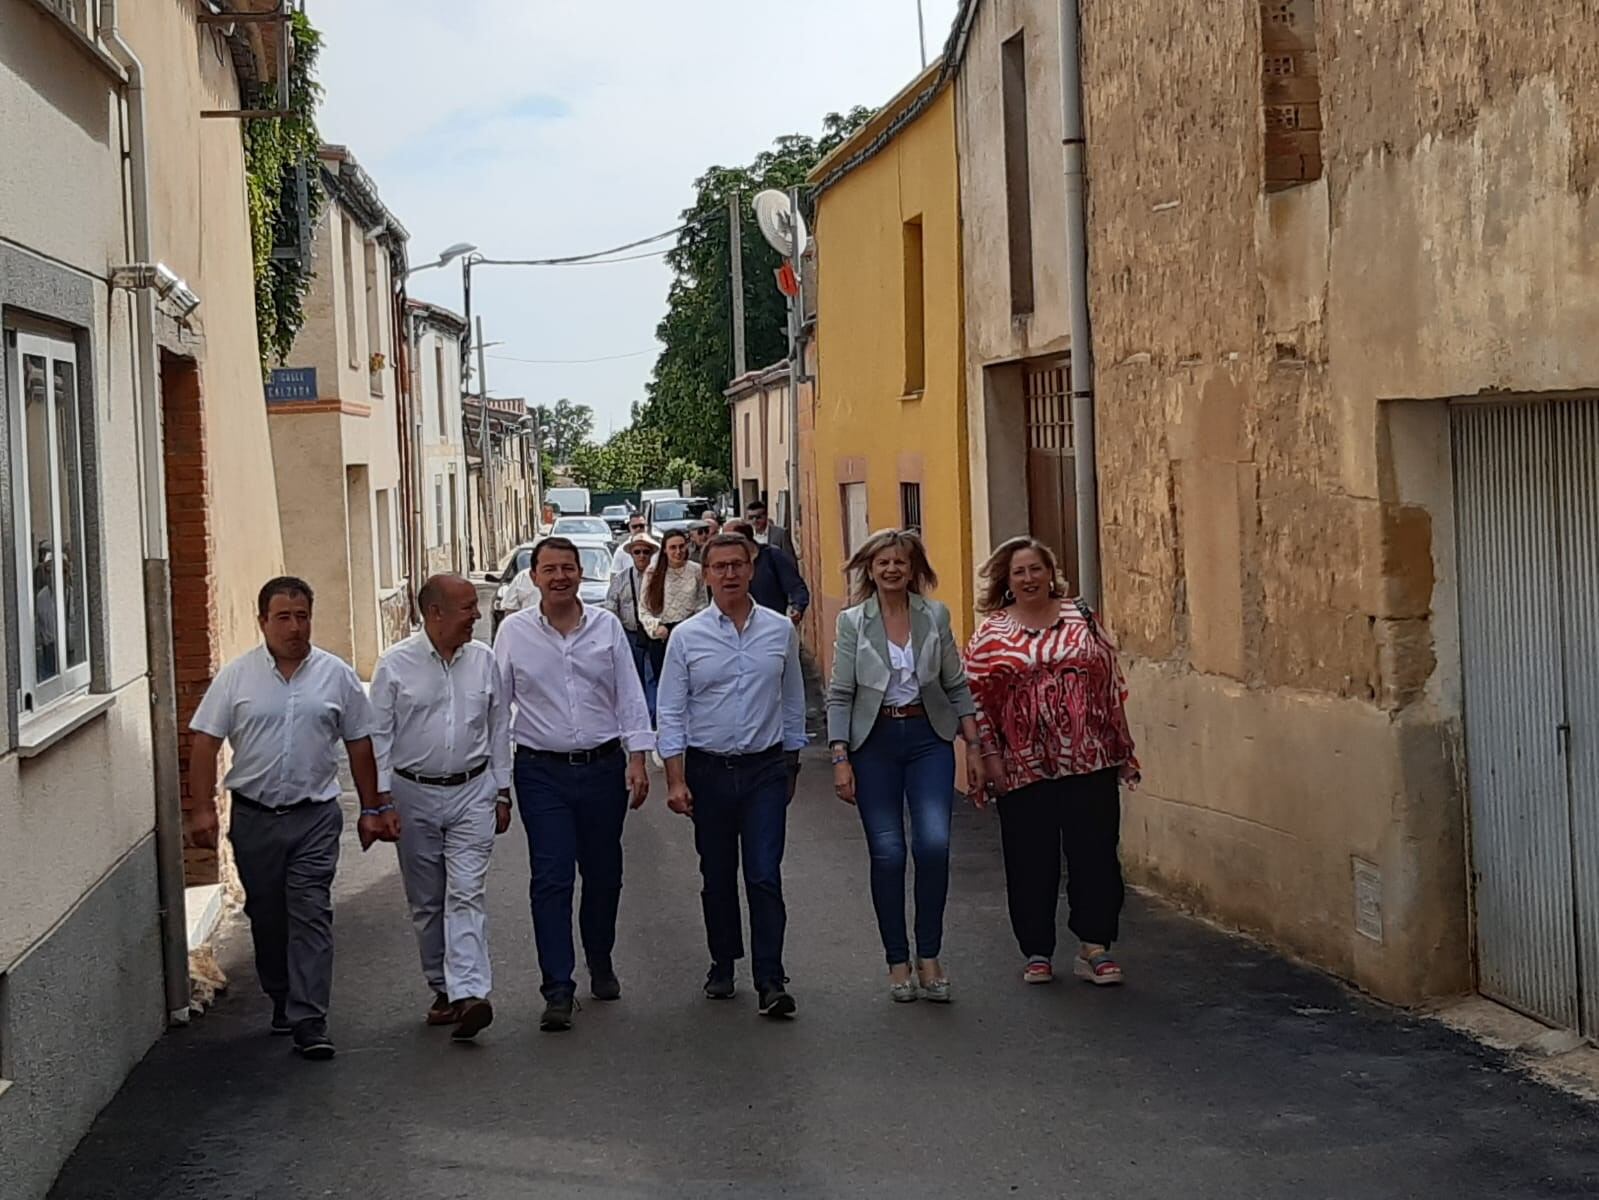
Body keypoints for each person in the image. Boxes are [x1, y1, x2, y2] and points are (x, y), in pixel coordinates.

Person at [188, 577, 392, 1060]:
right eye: (283, 617)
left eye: (302, 617)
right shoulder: (237, 678)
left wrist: (372, 808)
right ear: (263, 622)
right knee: (267, 912)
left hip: (314, 816)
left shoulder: (335, 675)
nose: (295, 627)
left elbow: (360, 742)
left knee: (311, 912)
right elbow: (204, 741)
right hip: (255, 818)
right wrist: (200, 808)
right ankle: (280, 992)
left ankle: (310, 1018)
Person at [964, 537, 1139, 987]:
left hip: (1089, 756)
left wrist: (1122, 746)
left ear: (1051, 573)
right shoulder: (990, 633)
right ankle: (1036, 950)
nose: (1028, 579)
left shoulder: (1080, 617)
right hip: (1022, 764)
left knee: (1095, 854)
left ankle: (1095, 946)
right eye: (1019, 572)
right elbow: (975, 699)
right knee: (1030, 860)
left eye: (1036, 569)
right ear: (1007, 580)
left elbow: (1109, 683)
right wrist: (987, 755)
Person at [495, 537, 653, 1031]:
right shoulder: (514, 633)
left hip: (603, 767)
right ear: (534, 577)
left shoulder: (605, 626)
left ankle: (599, 959)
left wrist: (639, 759)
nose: (559, 577)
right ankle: (558, 987)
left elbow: (629, 693)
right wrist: (500, 783)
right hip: (541, 772)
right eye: (549, 569)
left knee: (604, 874)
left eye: (568, 568)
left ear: (581, 573)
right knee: (552, 876)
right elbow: (498, 710)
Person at [827, 530, 984, 1003]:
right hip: (872, 742)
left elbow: (956, 685)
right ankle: (898, 960)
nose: (891, 569)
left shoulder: (934, 615)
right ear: (870, 571)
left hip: (927, 739)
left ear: (913, 569)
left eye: (900, 562)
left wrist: (974, 745)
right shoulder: (853, 622)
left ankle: (929, 954)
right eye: (882, 563)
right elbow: (840, 693)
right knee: (889, 853)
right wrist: (839, 757)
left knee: (933, 845)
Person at [658, 533, 808, 1018]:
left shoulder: (779, 630)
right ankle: (723, 962)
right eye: (719, 566)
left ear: (751, 569)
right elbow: (672, 711)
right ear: (706, 575)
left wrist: (791, 763)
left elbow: (791, 701)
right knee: (717, 875)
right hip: (709, 770)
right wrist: (675, 779)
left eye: (737, 565)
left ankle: (771, 977)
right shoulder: (687, 637)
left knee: (764, 874)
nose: (729, 574)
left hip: (764, 768)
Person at [370, 574, 511, 1042]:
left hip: (472, 790)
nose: (476, 614)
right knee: (427, 900)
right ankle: (443, 988)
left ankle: (470, 992)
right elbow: (379, 740)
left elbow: (498, 730)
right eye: (468, 607)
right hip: (413, 794)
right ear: (434, 614)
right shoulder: (395, 666)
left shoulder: (484, 661)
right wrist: (381, 801)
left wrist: (502, 791)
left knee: (466, 891)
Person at [641, 528, 708, 684]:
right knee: (665, 685)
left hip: (690, 634)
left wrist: (692, 623)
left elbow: (703, 602)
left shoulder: (696, 570)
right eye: (673, 547)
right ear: (665, 549)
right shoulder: (652, 572)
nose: (678, 551)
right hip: (662, 637)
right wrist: (655, 627)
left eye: (681, 546)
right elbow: (643, 609)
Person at [605, 532, 661, 718]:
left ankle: (651, 715)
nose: (642, 556)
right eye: (637, 552)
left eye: (646, 552)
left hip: (654, 635)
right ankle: (637, 715)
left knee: (651, 675)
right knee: (631, 676)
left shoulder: (659, 578)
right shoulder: (621, 579)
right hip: (629, 635)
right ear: (631, 554)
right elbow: (611, 606)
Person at [725, 519, 809, 623]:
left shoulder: (772, 556)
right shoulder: (727, 565)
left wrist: (797, 608)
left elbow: (795, 586)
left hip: (773, 626)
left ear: (744, 538)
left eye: (728, 540)